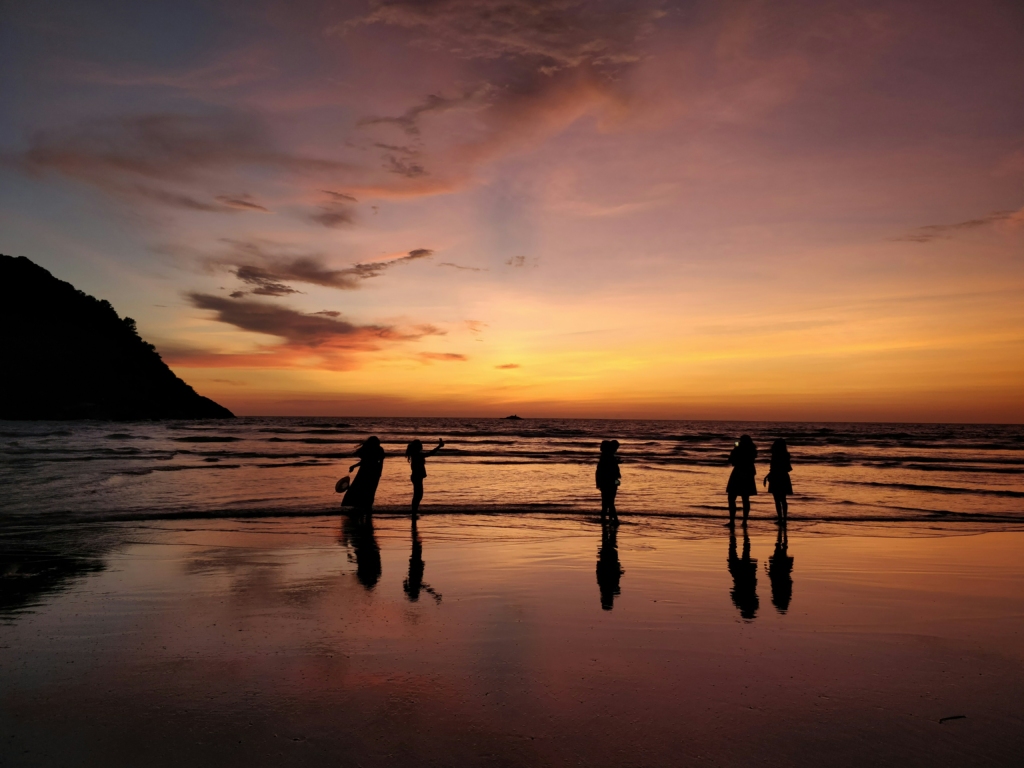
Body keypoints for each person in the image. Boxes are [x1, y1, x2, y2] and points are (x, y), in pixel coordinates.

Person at [341, 436, 385, 516]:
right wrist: (379, 473)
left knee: (360, 489)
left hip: (364, 471)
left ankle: (360, 507)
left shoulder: (369, 449)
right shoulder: (379, 450)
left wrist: (354, 466)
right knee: (370, 491)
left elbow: (364, 461)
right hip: (372, 472)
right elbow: (380, 463)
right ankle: (367, 508)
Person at [405, 438, 444, 516]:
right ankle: (414, 512)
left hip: (416, 476)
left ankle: (414, 511)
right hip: (417, 477)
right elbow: (431, 453)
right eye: (420, 444)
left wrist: (439, 446)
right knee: (418, 495)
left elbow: (430, 453)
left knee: (417, 495)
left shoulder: (415, 454)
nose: (421, 445)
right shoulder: (417, 454)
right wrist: (439, 446)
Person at [726, 435, 758, 526]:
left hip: (738, 472)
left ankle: (732, 521)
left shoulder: (738, 450)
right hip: (748, 473)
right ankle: (744, 522)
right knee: (745, 499)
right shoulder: (752, 451)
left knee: (731, 497)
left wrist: (734, 449)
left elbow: (731, 460)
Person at [763, 438, 793, 524]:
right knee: (783, 499)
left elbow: (774, 468)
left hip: (776, 477)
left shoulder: (776, 455)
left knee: (777, 499)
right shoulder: (786, 455)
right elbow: (788, 468)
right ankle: (784, 519)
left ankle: (781, 519)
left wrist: (769, 475)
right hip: (783, 477)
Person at [595, 440, 621, 523]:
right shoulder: (608, 458)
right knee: (609, 502)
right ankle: (614, 520)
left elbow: (599, 471)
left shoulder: (606, 457)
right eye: (616, 448)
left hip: (606, 483)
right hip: (609, 483)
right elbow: (612, 473)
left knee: (606, 502)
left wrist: (598, 483)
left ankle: (607, 519)